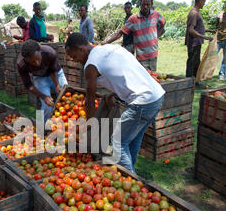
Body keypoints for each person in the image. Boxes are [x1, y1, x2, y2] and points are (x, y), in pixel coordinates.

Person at [65, 33, 165, 174]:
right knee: (132, 140)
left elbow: (89, 99)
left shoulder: (90, 66)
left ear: (81, 49)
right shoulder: (108, 49)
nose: (75, 61)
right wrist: (113, 93)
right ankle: (129, 174)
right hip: (156, 96)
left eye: (74, 56)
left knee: (118, 141)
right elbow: (124, 73)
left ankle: (132, 182)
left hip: (142, 102)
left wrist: (91, 125)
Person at [104, 0, 165, 71]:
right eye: (143, 4)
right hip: (141, 57)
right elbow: (120, 33)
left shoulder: (156, 15)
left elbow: (163, 23)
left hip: (153, 55)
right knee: (143, 79)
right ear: (140, 4)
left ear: (151, 4)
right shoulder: (133, 19)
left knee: (152, 78)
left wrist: (156, 36)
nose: (145, 7)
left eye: (148, 4)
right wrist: (106, 43)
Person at [17, 39, 68, 123]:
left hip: (56, 74)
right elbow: (28, 85)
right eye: (32, 62)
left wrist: (57, 85)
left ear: (40, 51)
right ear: (26, 60)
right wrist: (44, 97)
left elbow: (53, 70)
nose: (36, 63)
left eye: (38, 59)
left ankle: (69, 127)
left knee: (65, 98)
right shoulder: (21, 64)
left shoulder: (50, 52)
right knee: (46, 106)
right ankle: (41, 129)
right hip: (40, 78)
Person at [185, 0, 214, 81]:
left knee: (196, 62)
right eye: (204, 2)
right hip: (193, 43)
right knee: (192, 63)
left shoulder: (197, 12)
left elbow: (198, 28)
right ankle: (189, 81)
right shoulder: (194, 13)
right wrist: (205, 37)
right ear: (200, 0)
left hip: (197, 42)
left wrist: (209, 31)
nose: (204, 4)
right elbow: (191, 30)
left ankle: (195, 80)